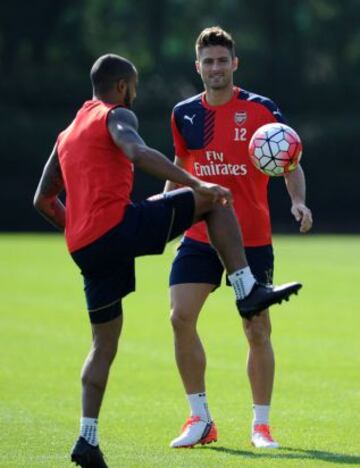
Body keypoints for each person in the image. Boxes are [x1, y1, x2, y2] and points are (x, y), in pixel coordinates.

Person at [33, 54, 301, 467]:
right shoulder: (115, 115)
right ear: (122, 86)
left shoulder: (66, 134)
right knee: (213, 199)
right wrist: (195, 182)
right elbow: (136, 151)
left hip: (85, 247)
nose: (135, 94)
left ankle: (87, 438)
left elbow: (43, 200)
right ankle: (247, 291)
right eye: (135, 86)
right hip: (117, 226)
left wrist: (81, 233)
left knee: (102, 345)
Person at [164, 27, 313, 450]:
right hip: (198, 233)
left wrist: (298, 201)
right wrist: (163, 215)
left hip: (251, 238)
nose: (215, 68)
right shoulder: (183, 114)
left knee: (257, 329)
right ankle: (200, 418)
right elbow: (179, 166)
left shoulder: (262, 109)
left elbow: (290, 159)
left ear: (235, 64)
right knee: (179, 317)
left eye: (222, 61)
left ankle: (261, 426)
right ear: (198, 67)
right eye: (207, 62)